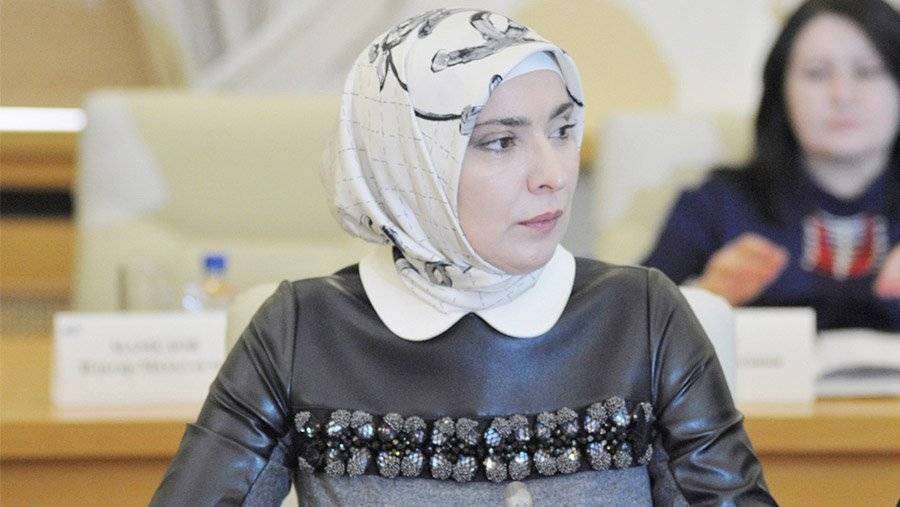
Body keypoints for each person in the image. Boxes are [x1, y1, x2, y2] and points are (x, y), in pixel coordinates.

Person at [152, 9, 774, 505]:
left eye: (562, 130)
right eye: (500, 142)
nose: (554, 174)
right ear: (410, 162)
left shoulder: (640, 313)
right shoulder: (301, 328)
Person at [644, 0, 899, 331]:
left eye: (867, 71)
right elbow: (627, 328)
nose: (842, 95)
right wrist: (704, 297)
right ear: (780, 91)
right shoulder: (718, 204)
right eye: (817, 73)